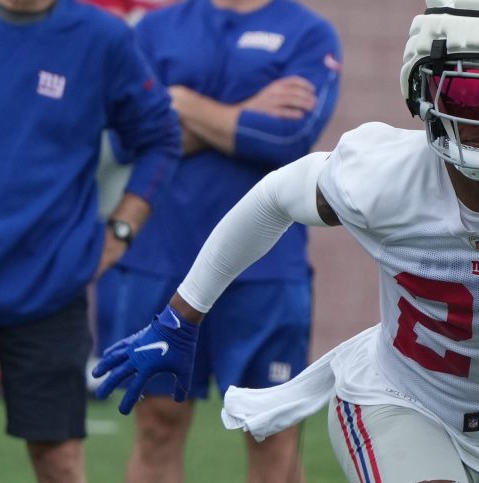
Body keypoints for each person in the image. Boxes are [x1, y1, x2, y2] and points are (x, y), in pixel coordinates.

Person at [93, 1, 479, 482]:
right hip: (392, 397)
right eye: (461, 96)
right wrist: (182, 316)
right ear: (424, 90)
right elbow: (273, 197)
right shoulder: (385, 170)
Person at [91, 0, 341, 482]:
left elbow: (289, 138)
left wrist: (180, 102)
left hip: (265, 269)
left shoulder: (309, 32)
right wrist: (244, 113)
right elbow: (127, 139)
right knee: (157, 425)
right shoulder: (156, 28)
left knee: (270, 430)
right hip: (158, 259)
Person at [0, 0, 180, 481]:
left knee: (57, 459)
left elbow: (160, 136)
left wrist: (121, 229)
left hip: (46, 289)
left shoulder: (101, 37)